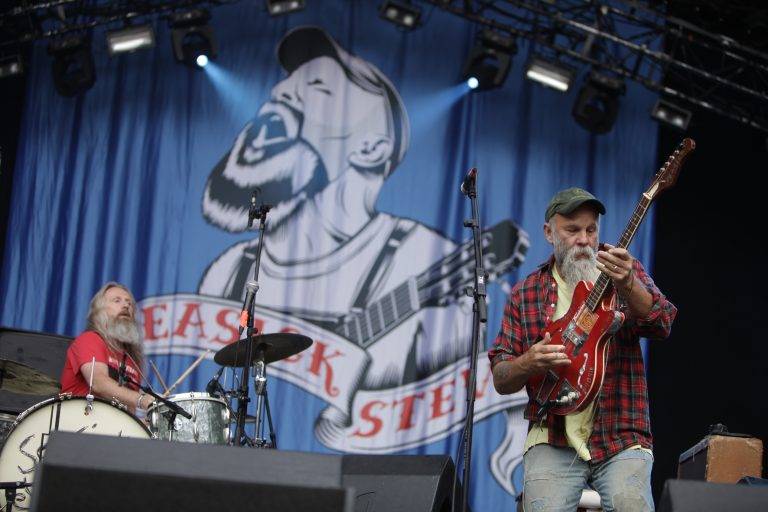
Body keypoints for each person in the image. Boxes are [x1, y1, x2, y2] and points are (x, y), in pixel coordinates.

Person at [199, 26, 471, 388]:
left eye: (317, 89)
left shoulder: (423, 258)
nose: (280, 92)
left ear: (372, 147)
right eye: (286, 84)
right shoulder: (230, 271)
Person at [489, 187, 677, 512]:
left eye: (591, 230)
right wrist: (528, 363)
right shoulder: (526, 293)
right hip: (552, 435)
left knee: (631, 505)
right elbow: (501, 378)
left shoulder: (621, 270)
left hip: (620, 431)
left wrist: (629, 284)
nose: (584, 240)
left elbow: (662, 323)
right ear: (549, 233)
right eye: (572, 230)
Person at [61, 282, 152, 414]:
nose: (126, 305)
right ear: (100, 311)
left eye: (129, 303)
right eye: (117, 301)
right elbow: (98, 383)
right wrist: (142, 400)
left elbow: (129, 411)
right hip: (78, 423)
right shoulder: (90, 339)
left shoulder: (132, 359)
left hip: (114, 430)